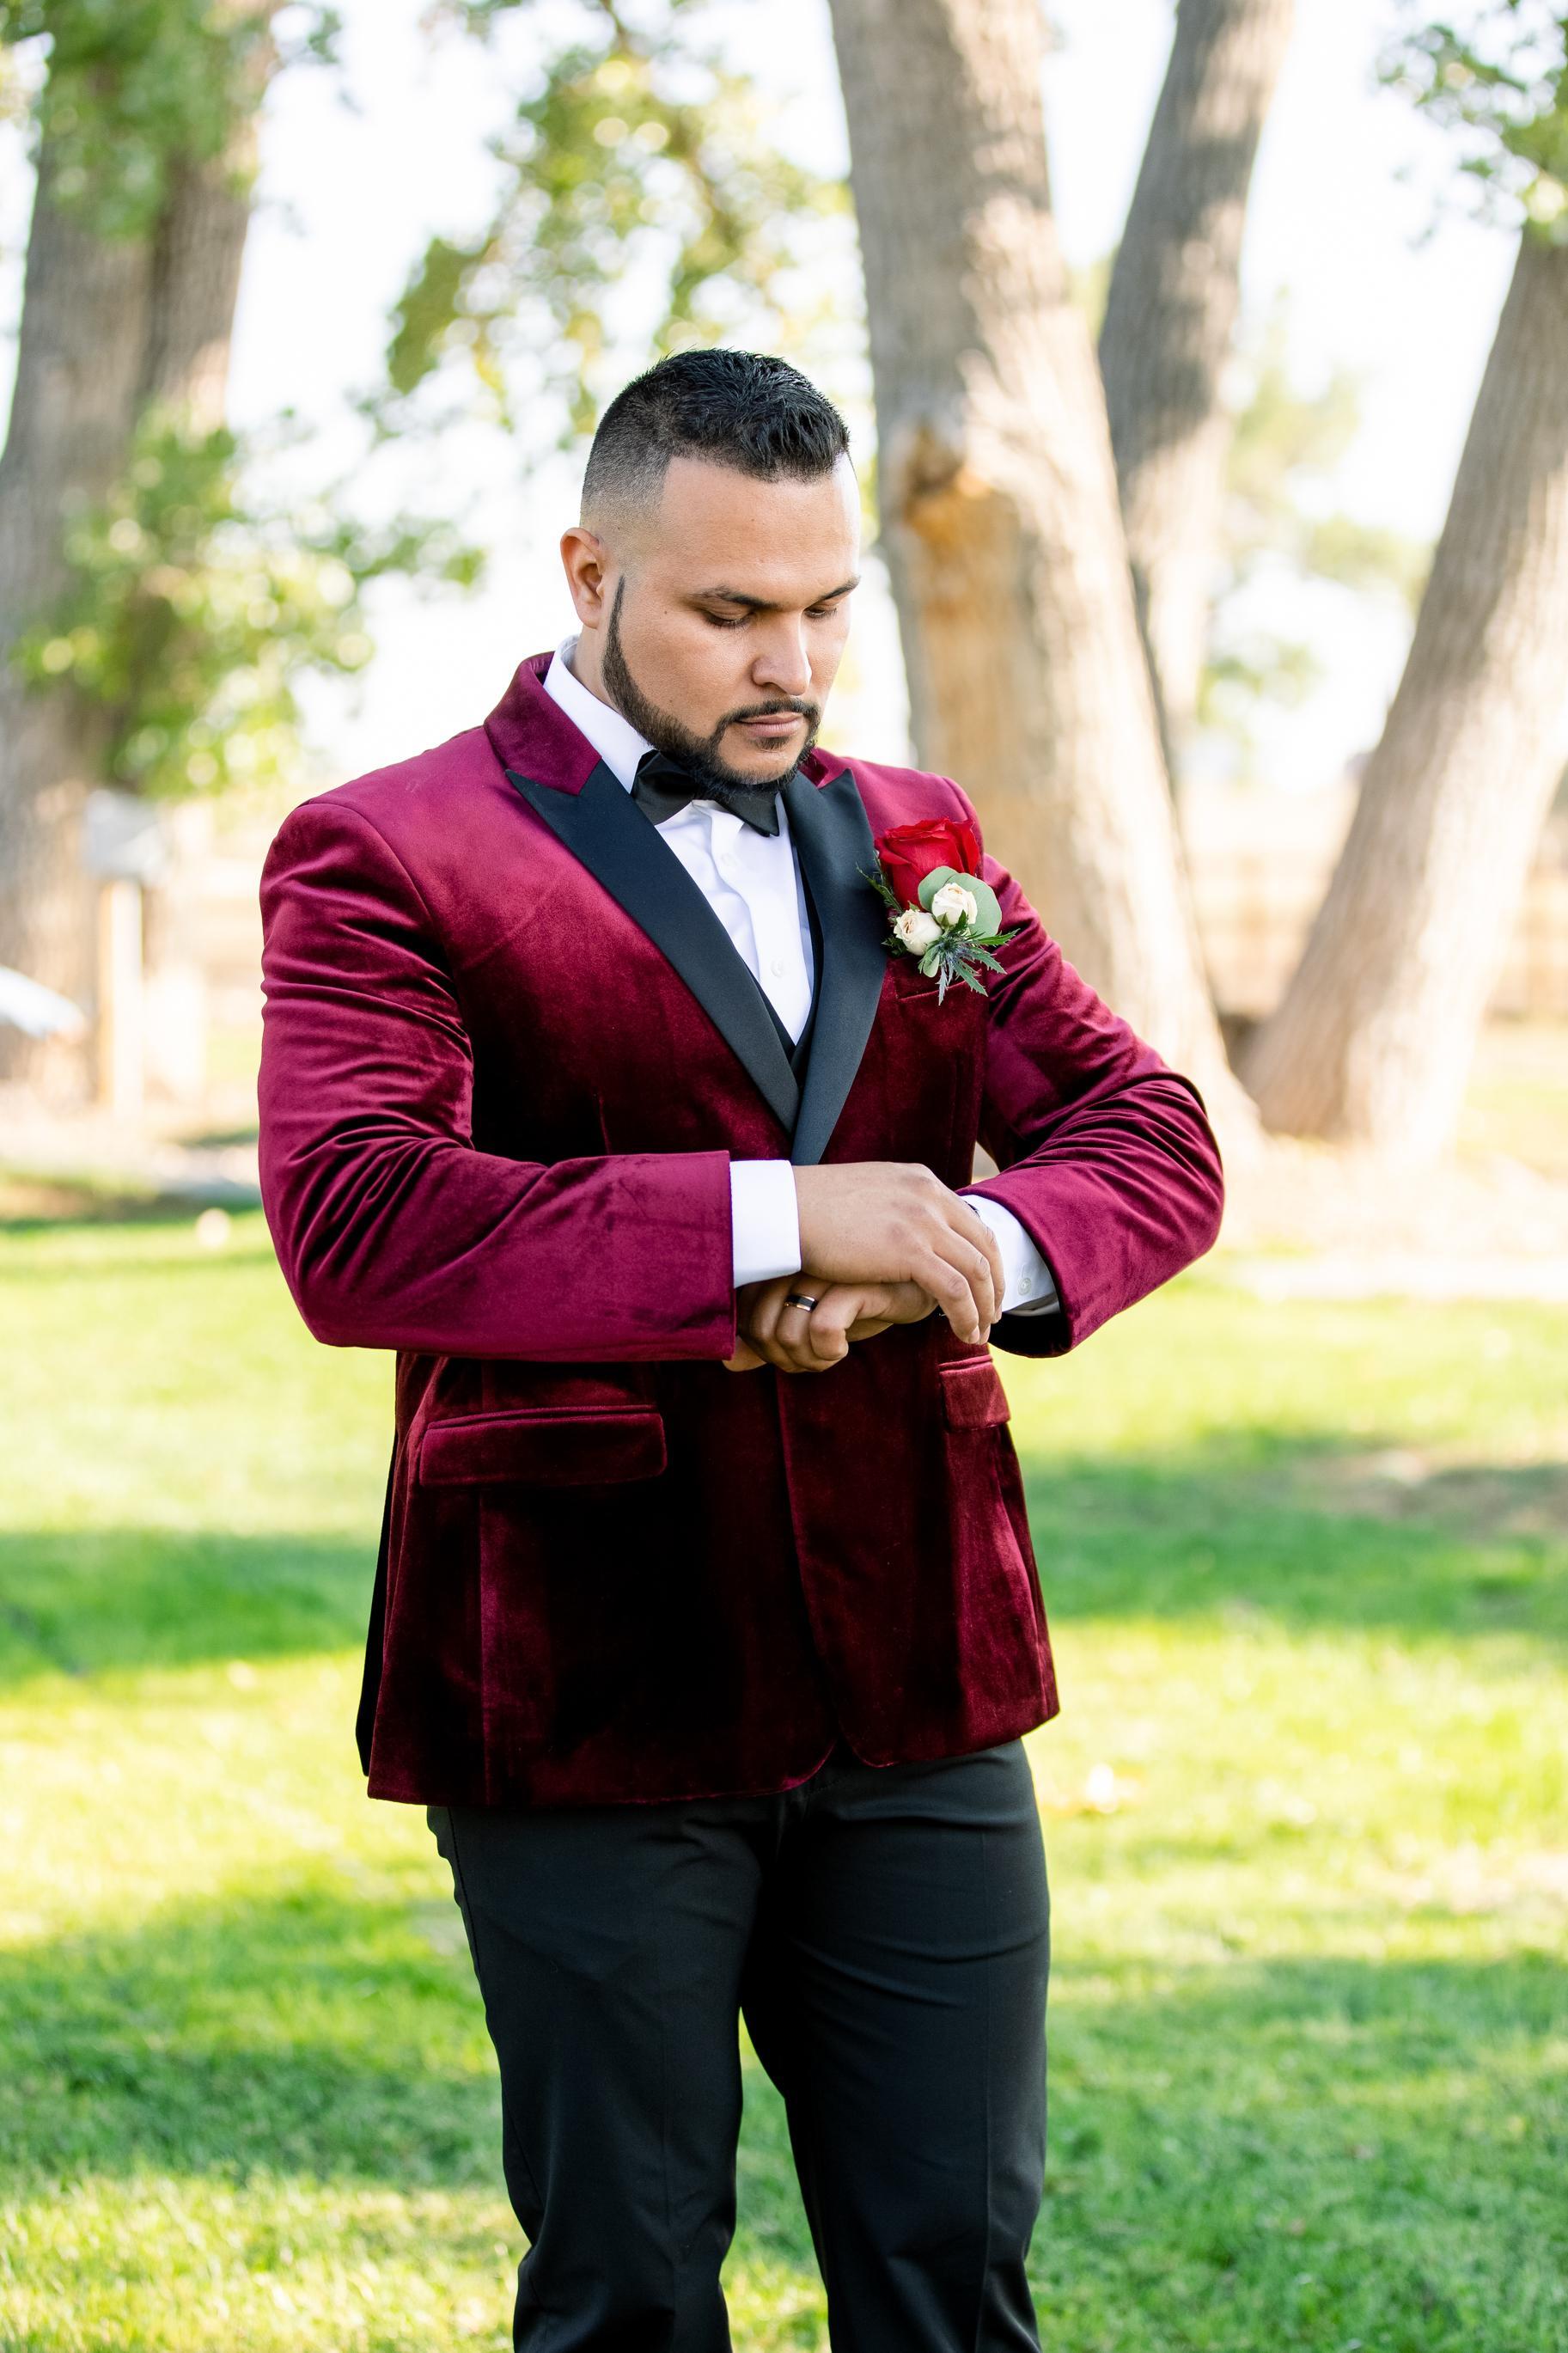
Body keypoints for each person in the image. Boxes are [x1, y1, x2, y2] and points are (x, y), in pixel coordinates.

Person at [257, 347, 1223, 2351]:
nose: (792, 665)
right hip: (587, 1684)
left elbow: (1148, 1134)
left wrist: (953, 1249)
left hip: (925, 1678)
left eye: (825, 606)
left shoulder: (919, 835)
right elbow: (361, 1217)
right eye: (729, 612)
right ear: (586, 572)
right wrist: (779, 1217)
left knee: (954, 2269)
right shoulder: (386, 848)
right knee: (624, 2286)